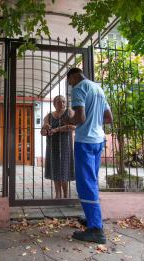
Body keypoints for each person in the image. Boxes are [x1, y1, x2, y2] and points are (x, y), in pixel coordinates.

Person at [63, 68, 113, 244]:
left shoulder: (79, 88)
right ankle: (92, 219)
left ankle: (96, 230)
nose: (70, 86)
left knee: (85, 184)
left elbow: (80, 117)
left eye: (69, 82)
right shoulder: (98, 88)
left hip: (85, 142)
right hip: (98, 141)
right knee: (91, 180)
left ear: (73, 76)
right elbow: (108, 118)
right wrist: (94, 121)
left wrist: (68, 121)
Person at [41, 95, 76, 198]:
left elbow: (74, 126)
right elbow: (42, 132)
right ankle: (58, 194)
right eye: (59, 102)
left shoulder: (69, 112)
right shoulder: (49, 116)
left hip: (65, 145)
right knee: (55, 169)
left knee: (64, 169)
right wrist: (46, 129)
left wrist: (57, 129)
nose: (62, 104)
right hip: (53, 146)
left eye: (64, 102)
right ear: (54, 104)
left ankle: (65, 194)